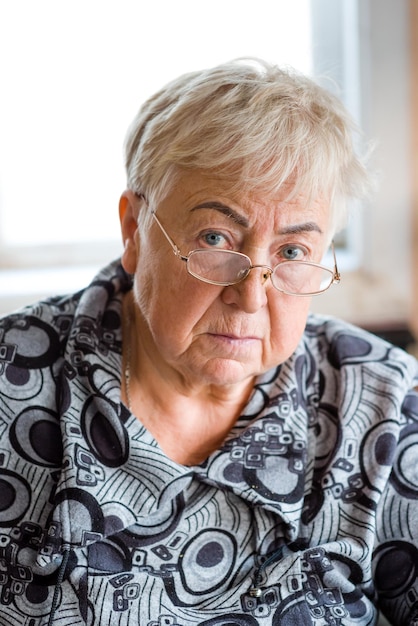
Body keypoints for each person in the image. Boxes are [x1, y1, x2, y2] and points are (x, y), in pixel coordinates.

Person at [0, 58, 417, 626]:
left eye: (292, 252)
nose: (251, 297)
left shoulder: (385, 405)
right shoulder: (12, 384)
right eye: (216, 238)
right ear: (134, 230)